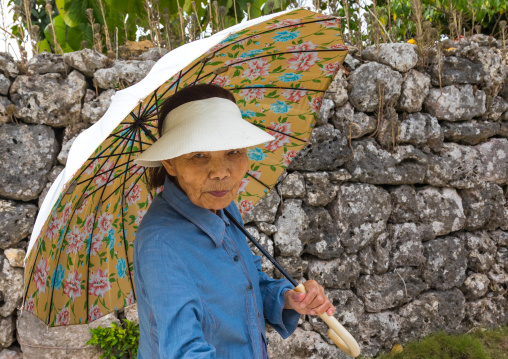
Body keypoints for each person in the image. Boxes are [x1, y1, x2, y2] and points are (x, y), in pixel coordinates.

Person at [133, 84, 335, 359]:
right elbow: (185, 352)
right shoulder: (161, 245)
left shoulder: (224, 209)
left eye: (233, 152)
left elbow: (247, 284)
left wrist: (289, 299)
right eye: (198, 155)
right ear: (170, 163)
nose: (220, 172)